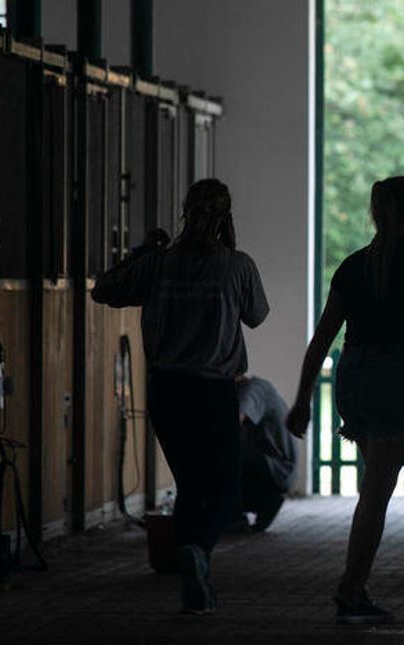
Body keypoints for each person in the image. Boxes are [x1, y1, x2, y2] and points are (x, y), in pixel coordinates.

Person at [286, 176, 404, 625]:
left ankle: (356, 587)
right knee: (374, 496)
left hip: (352, 377)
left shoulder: (352, 267)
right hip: (393, 378)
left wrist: (303, 399)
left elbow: (321, 340)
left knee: (372, 489)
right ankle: (350, 590)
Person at [91, 179, 269, 615]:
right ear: (226, 215)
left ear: (185, 212)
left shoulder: (159, 264)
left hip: (167, 389)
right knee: (225, 487)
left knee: (189, 484)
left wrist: (142, 253)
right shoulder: (237, 265)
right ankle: (198, 552)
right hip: (213, 390)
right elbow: (258, 315)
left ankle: (194, 585)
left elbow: (104, 289)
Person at [231, 373, 297, 532]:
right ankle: (261, 503)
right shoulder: (255, 387)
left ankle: (235, 517)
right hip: (273, 469)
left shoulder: (252, 389)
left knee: (227, 444)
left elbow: (234, 421)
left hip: (276, 470)